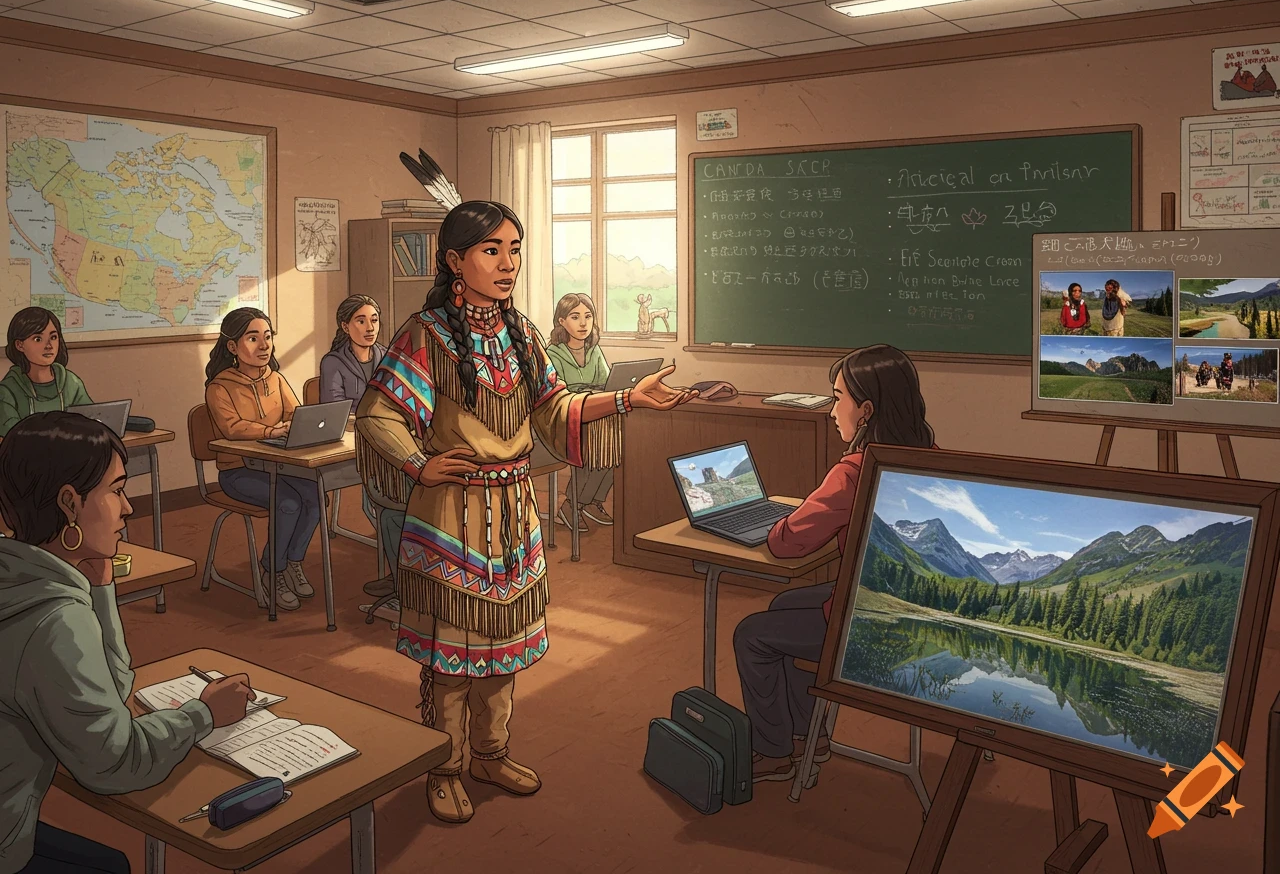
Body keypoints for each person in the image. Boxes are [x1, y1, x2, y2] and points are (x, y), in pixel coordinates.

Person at [355, 196, 696, 824]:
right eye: (493, 250)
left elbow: (556, 410)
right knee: (452, 649)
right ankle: (445, 765)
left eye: (514, 250)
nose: (508, 263)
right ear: (455, 261)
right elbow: (377, 413)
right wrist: (417, 463)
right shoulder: (423, 335)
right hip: (451, 510)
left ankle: (490, 751)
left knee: (503, 644)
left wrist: (624, 400)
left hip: (513, 511)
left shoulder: (521, 334)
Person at [0, 412, 254, 874]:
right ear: (69, 504)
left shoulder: (18, 574)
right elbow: (116, 763)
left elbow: (108, 694)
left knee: (113, 863)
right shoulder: (54, 619)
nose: (128, 507)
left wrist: (100, 589)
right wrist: (205, 713)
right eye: (116, 491)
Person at [733, 345, 936, 785]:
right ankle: (809, 736)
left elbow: (786, 543)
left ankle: (773, 750)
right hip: (895, 607)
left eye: (837, 397)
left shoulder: (853, 472)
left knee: (751, 634)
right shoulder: (932, 455)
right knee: (785, 604)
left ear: (865, 410)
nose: (831, 410)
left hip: (864, 624)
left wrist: (781, 520)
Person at [205, 307, 319, 612]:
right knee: (288, 503)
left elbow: (295, 414)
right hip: (238, 471)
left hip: (278, 466)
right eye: (253, 338)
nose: (264, 345)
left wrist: (297, 425)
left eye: (267, 337)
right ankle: (273, 570)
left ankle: (292, 562)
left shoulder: (276, 379)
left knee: (315, 497)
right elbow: (231, 428)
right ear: (232, 347)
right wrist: (270, 430)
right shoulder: (219, 387)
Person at [319, 294, 394, 598]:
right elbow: (334, 409)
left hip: (384, 439)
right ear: (345, 325)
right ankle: (400, 567)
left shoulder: (387, 356)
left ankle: (402, 564)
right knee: (380, 498)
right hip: (354, 441)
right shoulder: (333, 362)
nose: (369, 327)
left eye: (374, 320)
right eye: (360, 321)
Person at [545, 292, 615, 529]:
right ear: (561, 321)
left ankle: (593, 500)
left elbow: (606, 384)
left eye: (588, 316)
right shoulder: (552, 353)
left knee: (619, 446)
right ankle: (572, 503)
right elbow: (559, 394)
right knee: (596, 446)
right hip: (563, 419)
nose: (584, 323)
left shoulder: (594, 350)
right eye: (575, 317)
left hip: (590, 415)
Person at [0, 307, 93, 437]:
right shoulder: (7, 390)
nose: (49, 345)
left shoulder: (71, 382)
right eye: (38, 339)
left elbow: (91, 424)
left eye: (53, 337)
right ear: (19, 345)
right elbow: (13, 439)